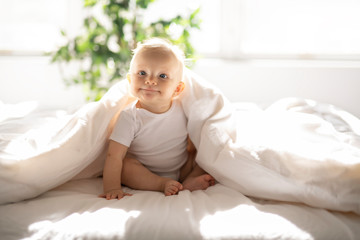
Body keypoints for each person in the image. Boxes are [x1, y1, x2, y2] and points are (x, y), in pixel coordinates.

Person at [99, 38, 215, 200]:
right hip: (144, 172)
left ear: (177, 88)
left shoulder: (183, 109)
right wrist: (112, 187)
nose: (150, 80)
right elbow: (114, 156)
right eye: (142, 73)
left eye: (162, 76)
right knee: (126, 166)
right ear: (130, 80)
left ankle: (186, 182)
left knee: (208, 155)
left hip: (182, 168)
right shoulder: (130, 116)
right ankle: (161, 184)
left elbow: (192, 138)